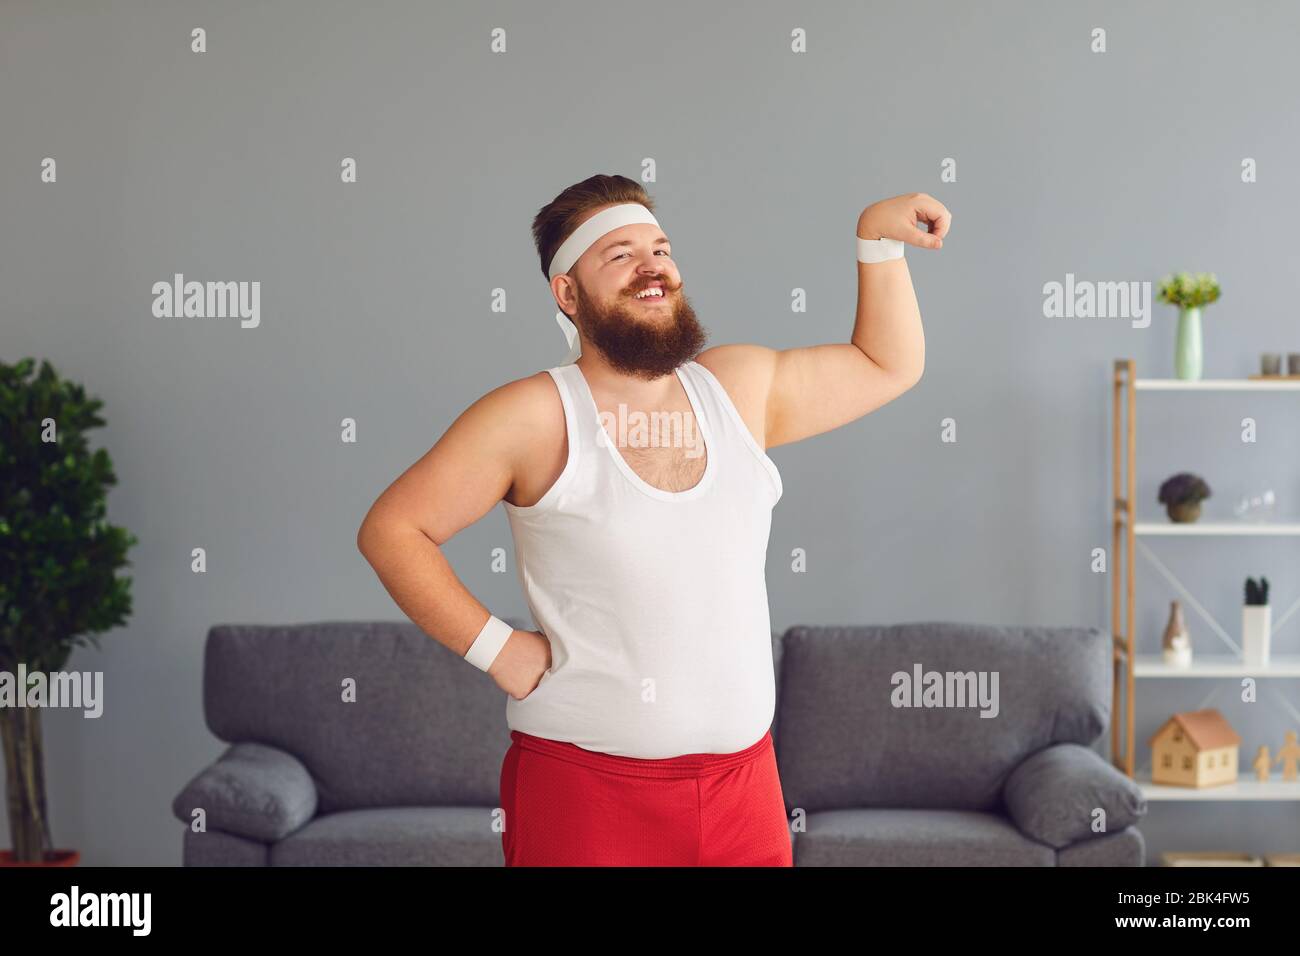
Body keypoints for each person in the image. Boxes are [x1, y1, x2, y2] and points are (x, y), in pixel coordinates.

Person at [357, 174, 949, 866]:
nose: (652, 266)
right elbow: (393, 530)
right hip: (586, 794)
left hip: (744, 791)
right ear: (568, 295)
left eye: (661, 248)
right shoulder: (532, 417)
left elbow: (886, 364)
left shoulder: (738, 389)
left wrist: (876, 241)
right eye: (619, 254)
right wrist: (498, 649)